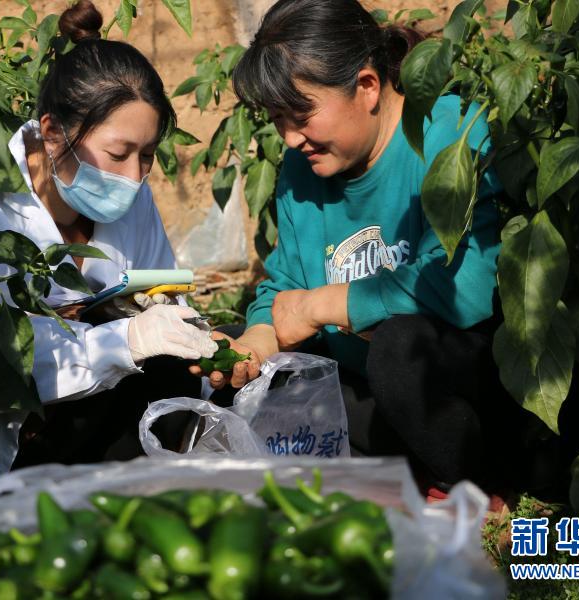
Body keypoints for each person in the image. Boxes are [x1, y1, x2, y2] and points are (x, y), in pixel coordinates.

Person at [195, 0, 530, 497]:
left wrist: (323, 305)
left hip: (464, 393)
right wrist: (260, 337)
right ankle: (409, 473)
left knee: (399, 349)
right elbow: (286, 280)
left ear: (368, 86)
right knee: (225, 351)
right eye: (277, 119)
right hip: (377, 395)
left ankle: (480, 485)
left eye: (301, 114)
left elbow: (468, 285)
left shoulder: (448, 134)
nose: (290, 138)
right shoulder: (304, 169)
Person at [0, 0, 217, 475]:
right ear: (51, 132)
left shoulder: (133, 194)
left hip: (109, 424)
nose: (134, 177)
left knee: (177, 371)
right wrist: (123, 340)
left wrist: (165, 315)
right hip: (15, 441)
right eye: (118, 153)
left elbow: (159, 290)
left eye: (147, 155)